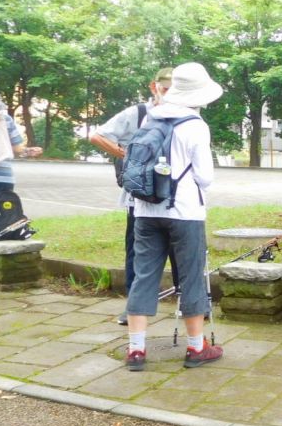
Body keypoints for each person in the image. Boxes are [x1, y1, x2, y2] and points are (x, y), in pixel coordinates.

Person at [124, 62, 223, 373]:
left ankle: (136, 350)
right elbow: (205, 178)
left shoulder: (150, 117)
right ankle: (197, 348)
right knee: (191, 276)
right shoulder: (195, 125)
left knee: (144, 277)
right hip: (184, 212)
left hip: (144, 209)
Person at [89, 68, 177, 326]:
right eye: (165, 88)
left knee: (180, 253)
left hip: (175, 197)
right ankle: (133, 307)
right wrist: (128, 156)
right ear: (154, 87)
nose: (169, 93)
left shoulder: (184, 115)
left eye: (175, 88)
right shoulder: (137, 114)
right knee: (137, 253)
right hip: (138, 199)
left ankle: (190, 304)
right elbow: (97, 135)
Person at [0, 91, 43, 192]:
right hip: (4, 179)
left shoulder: (6, 119)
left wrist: (28, 151)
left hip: (3, 178)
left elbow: (15, 147)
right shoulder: (5, 119)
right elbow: (16, 148)